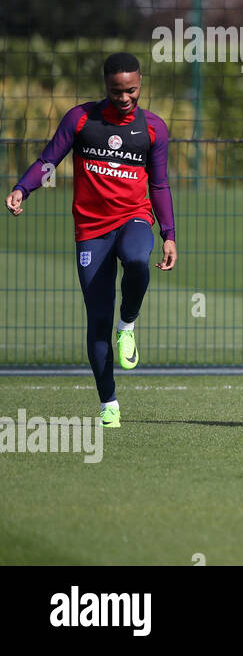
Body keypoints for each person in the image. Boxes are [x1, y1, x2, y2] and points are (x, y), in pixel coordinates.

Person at [6, 53, 177, 428]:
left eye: (132, 90)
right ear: (106, 87)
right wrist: (23, 188)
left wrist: (169, 235)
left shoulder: (153, 129)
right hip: (91, 229)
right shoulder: (81, 119)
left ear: (141, 84)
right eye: (117, 91)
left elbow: (159, 185)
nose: (125, 98)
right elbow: (49, 160)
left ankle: (128, 323)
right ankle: (109, 403)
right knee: (97, 319)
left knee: (136, 259)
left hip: (133, 217)